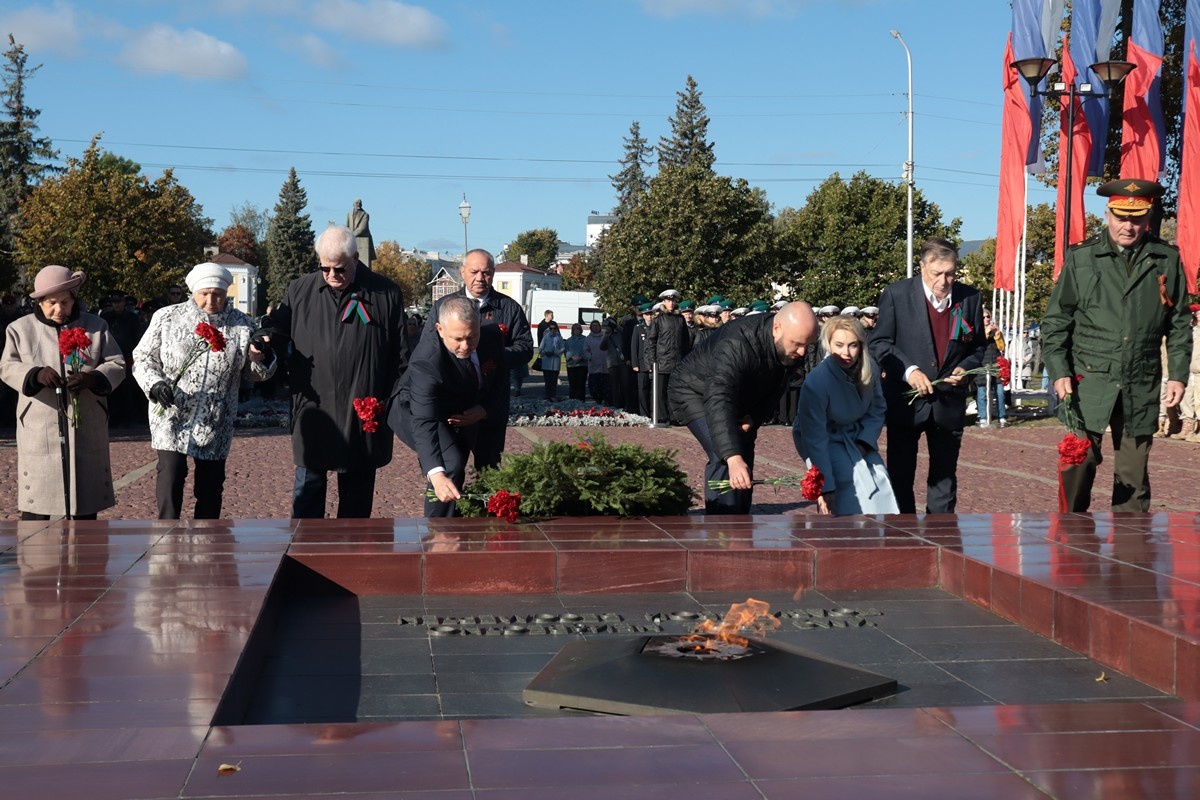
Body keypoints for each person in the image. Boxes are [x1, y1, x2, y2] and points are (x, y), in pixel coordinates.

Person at [1041, 179, 1192, 512]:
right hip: (1087, 380)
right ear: (1107, 214)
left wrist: (1178, 374)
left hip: (1140, 380)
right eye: (1121, 217)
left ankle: (1130, 552)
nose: (1129, 226)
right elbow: (1055, 322)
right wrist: (1058, 371)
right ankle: (1071, 539)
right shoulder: (1082, 259)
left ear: (1148, 218)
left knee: (1133, 480)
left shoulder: (1165, 259)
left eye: (1137, 218)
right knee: (1078, 461)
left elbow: (1180, 324)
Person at [262, 225, 408, 518]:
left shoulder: (385, 293)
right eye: (324, 268)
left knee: (356, 497)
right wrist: (262, 342)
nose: (331, 275)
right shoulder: (300, 289)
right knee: (308, 493)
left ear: (356, 258)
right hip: (315, 408)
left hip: (363, 407)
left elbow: (401, 355)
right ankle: (303, 553)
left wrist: (392, 402)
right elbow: (276, 328)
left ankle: (351, 557)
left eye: (339, 269)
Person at [133, 263, 276, 519]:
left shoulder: (242, 325)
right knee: (171, 472)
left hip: (216, 416)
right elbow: (143, 358)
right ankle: (167, 532)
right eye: (205, 294)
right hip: (172, 411)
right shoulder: (167, 317)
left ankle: (207, 536)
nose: (211, 300)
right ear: (193, 293)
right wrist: (154, 384)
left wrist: (258, 358)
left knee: (210, 485)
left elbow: (254, 374)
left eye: (218, 294)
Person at [0, 265, 126, 519]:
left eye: (65, 302)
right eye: (51, 304)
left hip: (86, 420)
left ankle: (86, 554)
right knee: (38, 503)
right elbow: (7, 366)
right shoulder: (19, 329)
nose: (59, 310)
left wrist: (93, 378)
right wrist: (35, 374)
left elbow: (117, 363)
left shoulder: (96, 326)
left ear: (74, 299)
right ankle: (36, 556)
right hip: (39, 422)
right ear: (40, 302)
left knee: (85, 502)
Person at [869, 238, 984, 514]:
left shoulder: (970, 298)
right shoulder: (896, 295)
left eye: (951, 273)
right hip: (906, 404)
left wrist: (965, 369)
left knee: (944, 478)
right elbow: (880, 344)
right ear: (922, 267)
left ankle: (940, 537)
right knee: (900, 474)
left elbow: (978, 345)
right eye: (937, 273)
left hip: (949, 403)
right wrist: (910, 371)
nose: (944, 281)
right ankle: (903, 535)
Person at [670, 302, 819, 514]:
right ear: (777, 328)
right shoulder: (738, 342)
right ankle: (721, 524)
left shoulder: (789, 344)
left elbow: (775, 388)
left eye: (807, 345)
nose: (802, 351)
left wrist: (754, 417)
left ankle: (740, 517)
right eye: (797, 344)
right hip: (694, 389)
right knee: (723, 453)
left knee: (744, 447)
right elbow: (718, 395)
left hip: (738, 396)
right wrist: (732, 456)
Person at [389, 296, 507, 516]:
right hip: (414, 408)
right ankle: (438, 534)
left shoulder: (492, 336)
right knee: (449, 463)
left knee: (461, 459)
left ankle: (457, 522)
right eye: (458, 339)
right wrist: (435, 473)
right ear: (440, 329)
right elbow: (425, 421)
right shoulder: (427, 362)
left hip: (458, 407)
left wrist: (485, 409)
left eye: (472, 337)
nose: (466, 346)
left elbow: (500, 382)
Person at [424, 249, 533, 469]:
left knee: (490, 470)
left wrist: (494, 356)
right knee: (451, 467)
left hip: (490, 403)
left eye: (486, 273)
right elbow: (427, 348)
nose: (480, 278)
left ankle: (487, 504)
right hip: (453, 404)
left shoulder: (509, 308)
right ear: (463, 272)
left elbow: (526, 348)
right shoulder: (443, 307)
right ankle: (453, 504)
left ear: (493, 274)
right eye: (474, 272)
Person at [794, 315, 899, 516]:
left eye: (853, 345)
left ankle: (879, 534)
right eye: (839, 345)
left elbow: (877, 407)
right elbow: (815, 438)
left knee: (880, 479)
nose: (846, 353)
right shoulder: (817, 382)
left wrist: (864, 440)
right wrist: (826, 487)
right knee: (850, 482)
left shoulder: (869, 368)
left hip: (856, 437)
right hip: (827, 437)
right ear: (828, 345)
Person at [100, 289, 146, 428]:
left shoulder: (132, 318)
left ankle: (130, 419)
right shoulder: (106, 318)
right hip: (111, 357)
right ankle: (113, 419)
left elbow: (137, 337)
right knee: (113, 390)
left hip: (128, 357)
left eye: (119, 301)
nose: (117, 305)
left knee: (129, 390)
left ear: (124, 302)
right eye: (114, 302)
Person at [645, 288, 691, 423]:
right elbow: (651, 341)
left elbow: (685, 342)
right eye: (668, 301)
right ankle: (660, 417)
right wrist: (651, 362)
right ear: (664, 302)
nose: (671, 303)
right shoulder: (658, 319)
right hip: (661, 361)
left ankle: (674, 417)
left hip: (677, 361)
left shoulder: (680, 319)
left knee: (674, 392)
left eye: (673, 301)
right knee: (659, 392)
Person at [975, 307, 1008, 429]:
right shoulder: (977, 331)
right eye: (983, 317)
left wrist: (997, 334)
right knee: (982, 392)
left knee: (1000, 392)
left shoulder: (995, 331)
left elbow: (1002, 347)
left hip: (996, 364)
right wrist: (986, 332)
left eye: (988, 316)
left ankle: (1002, 416)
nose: (986, 319)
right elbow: (978, 344)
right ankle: (983, 416)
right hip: (982, 364)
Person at [629, 302, 655, 417]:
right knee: (643, 390)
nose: (650, 316)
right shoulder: (638, 328)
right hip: (642, 363)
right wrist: (635, 363)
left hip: (654, 364)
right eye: (647, 314)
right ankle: (644, 414)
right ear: (643, 315)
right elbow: (634, 346)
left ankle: (654, 413)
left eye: (651, 314)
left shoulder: (656, 327)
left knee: (653, 391)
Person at [584, 320, 610, 403]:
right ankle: (597, 401)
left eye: (597, 325)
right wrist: (590, 357)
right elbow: (585, 351)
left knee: (606, 387)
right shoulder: (588, 338)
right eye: (593, 326)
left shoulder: (605, 335)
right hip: (594, 366)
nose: (595, 327)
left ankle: (606, 402)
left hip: (605, 366)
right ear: (591, 328)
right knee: (595, 387)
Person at [538, 322, 565, 399]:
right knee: (547, 381)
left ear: (556, 329)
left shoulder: (559, 337)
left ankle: (553, 396)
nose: (553, 330)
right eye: (551, 328)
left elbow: (562, 348)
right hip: (547, 362)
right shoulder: (546, 337)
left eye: (554, 328)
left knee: (553, 381)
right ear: (549, 329)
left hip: (555, 361)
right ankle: (547, 396)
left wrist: (556, 353)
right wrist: (545, 352)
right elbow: (540, 348)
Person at [347, 199, 376, 267]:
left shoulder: (365, 215)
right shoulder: (349, 214)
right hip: (353, 238)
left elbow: (362, 228)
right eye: (357, 203)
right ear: (353, 204)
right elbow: (347, 226)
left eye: (360, 203)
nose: (358, 204)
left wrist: (352, 235)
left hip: (364, 239)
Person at [564, 322, 588, 401]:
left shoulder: (585, 339)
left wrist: (581, 357)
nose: (576, 331)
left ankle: (581, 401)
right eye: (575, 329)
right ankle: (572, 400)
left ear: (581, 330)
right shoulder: (568, 341)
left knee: (581, 384)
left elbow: (588, 351)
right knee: (572, 384)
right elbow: (566, 351)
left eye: (578, 329)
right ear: (572, 330)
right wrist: (571, 357)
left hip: (582, 364)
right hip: (571, 365)